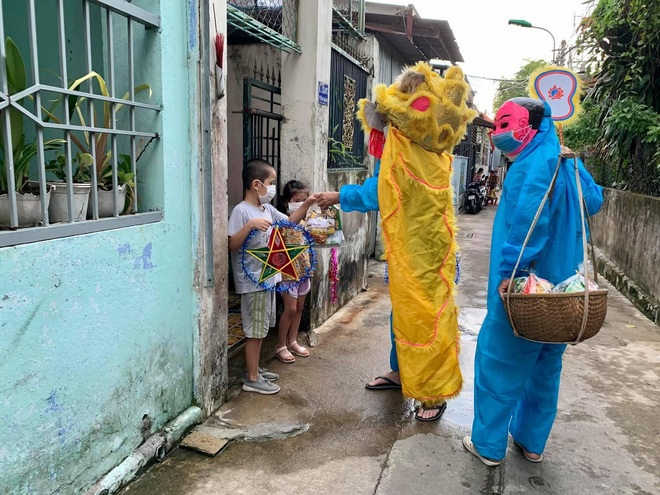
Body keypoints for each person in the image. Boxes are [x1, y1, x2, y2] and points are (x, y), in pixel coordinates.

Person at [318, 63, 476, 421]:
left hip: (429, 250)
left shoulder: (422, 149)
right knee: (404, 315)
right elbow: (385, 186)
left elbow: (382, 190)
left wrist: (338, 195)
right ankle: (401, 371)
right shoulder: (409, 144)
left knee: (427, 317)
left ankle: (433, 393)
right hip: (407, 249)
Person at [462, 98, 604, 466]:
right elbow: (594, 201)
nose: (498, 133)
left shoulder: (533, 165)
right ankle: (532, 442)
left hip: (527, 288)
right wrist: (576, 162)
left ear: (529, 126)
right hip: (564, 293)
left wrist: (511, 272)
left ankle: (489, 446)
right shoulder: (566, 161)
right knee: (545, 366)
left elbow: (529, 224)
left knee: (499, 362)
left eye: (505, 123)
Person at [228, 160, 317, 394]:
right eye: (271, 183)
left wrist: (307, 203)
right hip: (252, 282)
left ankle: (254, 369)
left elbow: (288, 222)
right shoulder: (241, 211)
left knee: (262, 327)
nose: (273, 188)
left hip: (268, 280)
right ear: (257, 185)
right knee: (254, 331)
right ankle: (252, 379)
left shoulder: (267, 209)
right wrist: (249, 226)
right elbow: (232, 244)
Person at [274, 180, 313, 364]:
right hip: (288, 272)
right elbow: (290, 226)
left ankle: (292, 341)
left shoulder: (307, 220)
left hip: (304, 270)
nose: (302, 203)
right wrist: (306, 205)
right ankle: (280, 345)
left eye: (305, 200)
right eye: (298, 200)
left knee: (299, 308)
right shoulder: (283, 219)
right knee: (289, 308)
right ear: (286, 201)